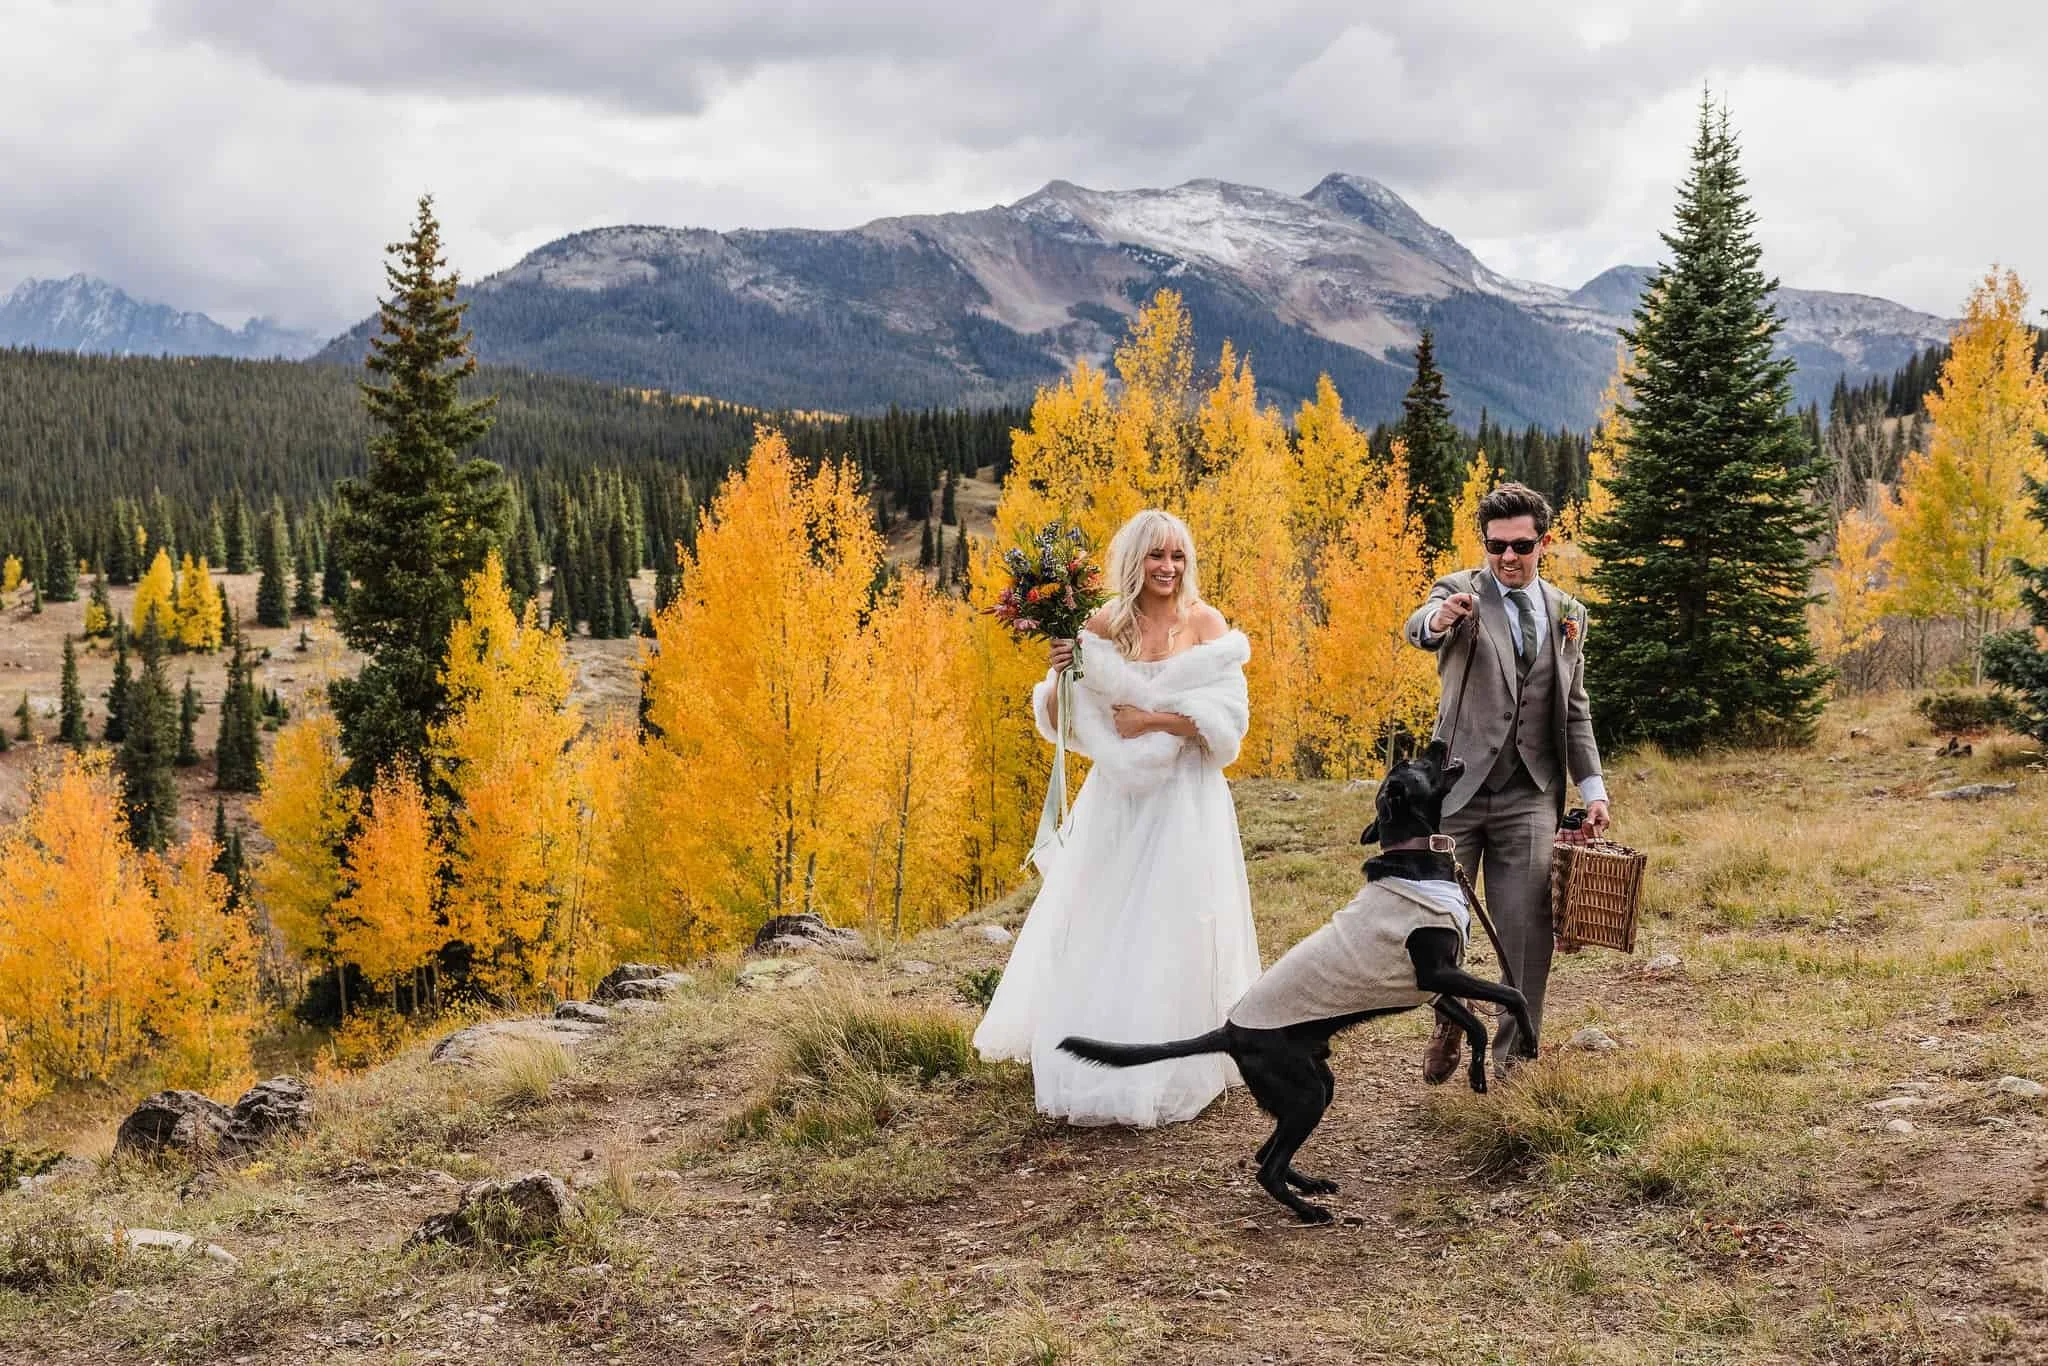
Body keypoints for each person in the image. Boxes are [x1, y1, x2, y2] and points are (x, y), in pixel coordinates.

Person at [973, 508, 1262, 1126]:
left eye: (1178, 556)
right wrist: (1058, 677)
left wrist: (1152, 720)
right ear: (1135, 562)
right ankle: (1103, 1052)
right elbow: (1072, 717)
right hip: (1120, 799)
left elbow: (1228, 726)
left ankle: (1182, 1054)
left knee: (1180, 913)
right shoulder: (1105, 623)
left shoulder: (1206, 623)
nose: (1168, 568)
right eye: (1157, 556)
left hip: (1188, 796)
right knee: (1109, 913)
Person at [1402, 482, 1609, 1078]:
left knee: (1526, 934)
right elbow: (1421, 627)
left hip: (1530, 793)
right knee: (1442, 924)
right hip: (1455, 792)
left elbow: (1575, 709)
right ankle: (1452, 1015)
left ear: (1544, 542)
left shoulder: (1570, 613)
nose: (1508, 558)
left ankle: (1516, 1063)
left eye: (1520, 546)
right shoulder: (1459, 592)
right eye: (1496, 547)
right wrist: (1439, 619)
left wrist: (1592, 788)